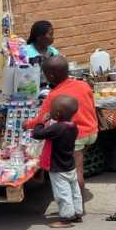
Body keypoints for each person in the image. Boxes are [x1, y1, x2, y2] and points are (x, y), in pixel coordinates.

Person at [25, 56, 98, 191]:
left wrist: (27, 124)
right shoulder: (84, 85)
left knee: (77, 172)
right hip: (92, 132)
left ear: (51, 76)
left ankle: (78, 200)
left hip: (77, 136)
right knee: (75, 163)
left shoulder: (54, 95)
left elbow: (42, 119)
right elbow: (91, 107)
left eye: (45, 75)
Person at [31, 95, 82, 228]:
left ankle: (66, 218)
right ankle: (77, 213)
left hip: (58, 167)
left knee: (62, 193)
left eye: (52, 110)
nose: (50, 112)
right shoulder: (73, 126)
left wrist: (41, 122)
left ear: (58, 114)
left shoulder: (57, 128)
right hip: (69, 165)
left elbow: (37, 134)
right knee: (74, 190)